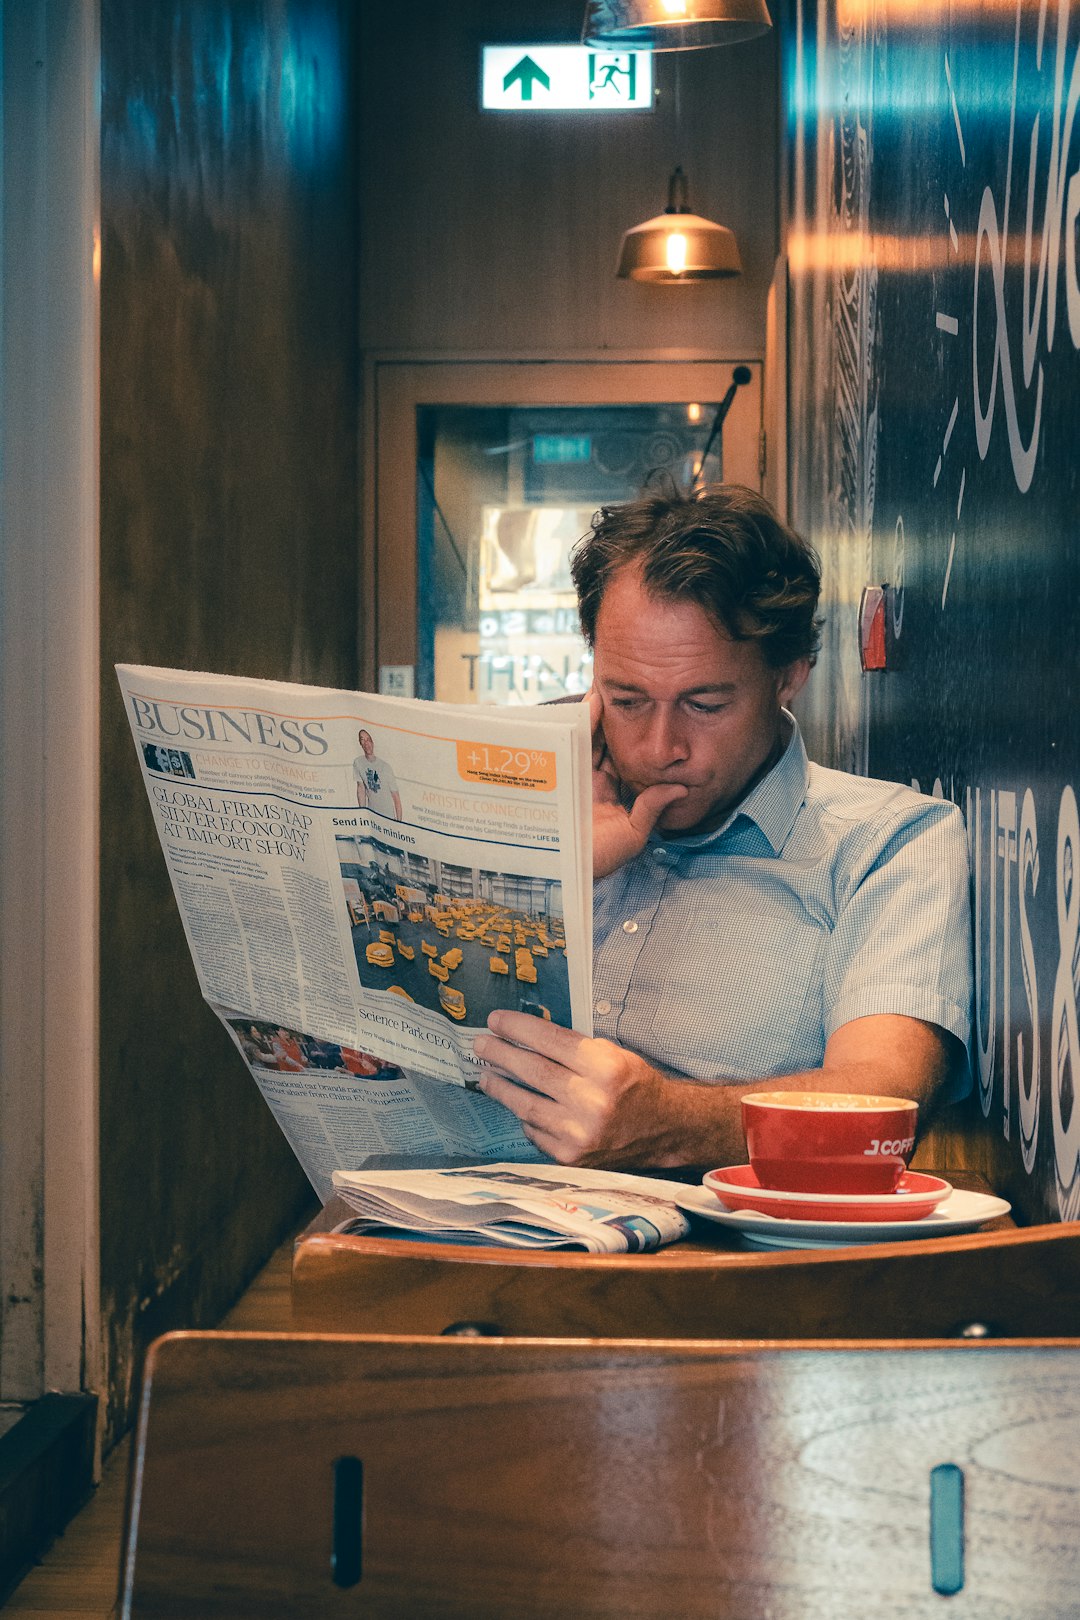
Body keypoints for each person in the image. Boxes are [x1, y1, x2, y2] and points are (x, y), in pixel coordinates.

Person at [473, 484, 972, 1170]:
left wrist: (675, 1122)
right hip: (455, 1244)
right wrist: (551, 864)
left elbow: (885, 1107)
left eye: (704, 704)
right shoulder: (530, 811)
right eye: (626, 700)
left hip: (728, 1269)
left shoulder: (885, 842)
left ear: (788, 677)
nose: (657, 748)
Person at [353, 727, 403, 819]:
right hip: (372, 816)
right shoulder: (358, 763)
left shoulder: (385, 767)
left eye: (368, 739)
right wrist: (362, 815)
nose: (366, 743)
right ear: (360, 744)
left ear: (372, 742)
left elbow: (396, 797)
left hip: (388, 817)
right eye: (363, 740)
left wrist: (399, 823)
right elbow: (361, 789)